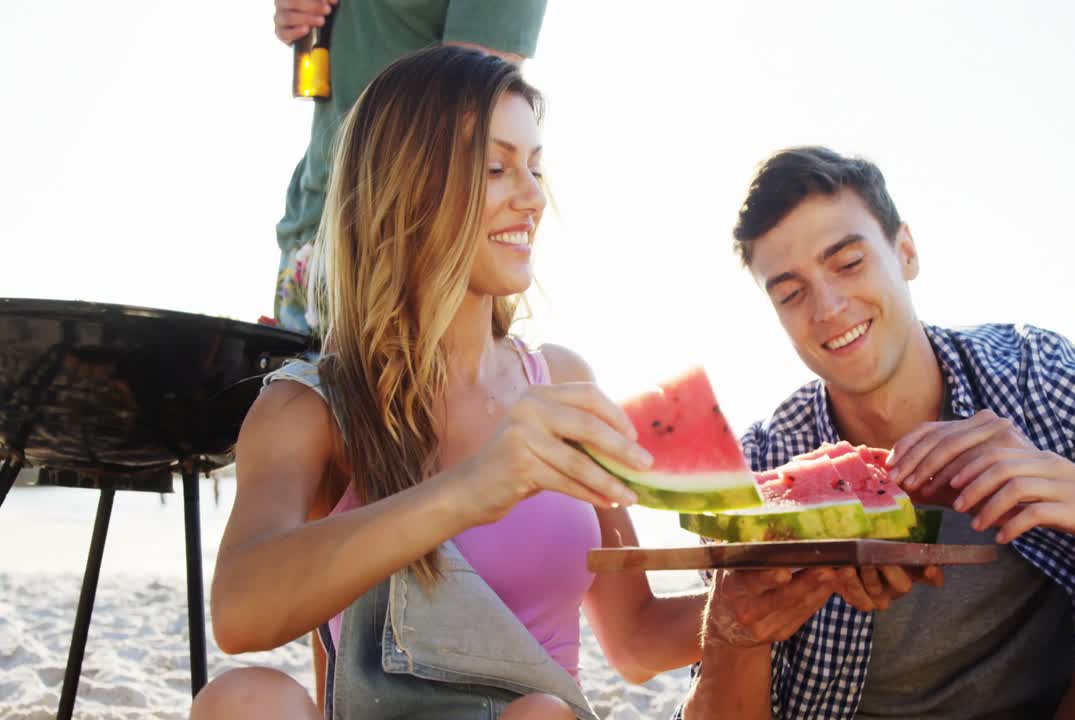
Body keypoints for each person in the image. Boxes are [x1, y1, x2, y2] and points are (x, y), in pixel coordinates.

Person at [190, 47, 705, 720]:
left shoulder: (559, 381)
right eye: (496, 168)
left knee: (540, 715)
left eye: (535, 166)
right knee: (242, 700)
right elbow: (239, 613)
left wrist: (761, 598)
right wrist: (472, 490)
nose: (533, 196)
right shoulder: (310, 408)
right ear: (409, 184)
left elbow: (635, 639)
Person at [678, 147, 1075, 720]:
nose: (828, 307)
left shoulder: (1026, 376)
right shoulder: (763, 466)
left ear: (905, 251)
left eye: (849, 263)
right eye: (791, 293)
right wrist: (734, 637)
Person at [271, 0, 548, 335]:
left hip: (405, 251)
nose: (537, 197)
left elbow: (474, 98)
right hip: (312, 229)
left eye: (495, 168)